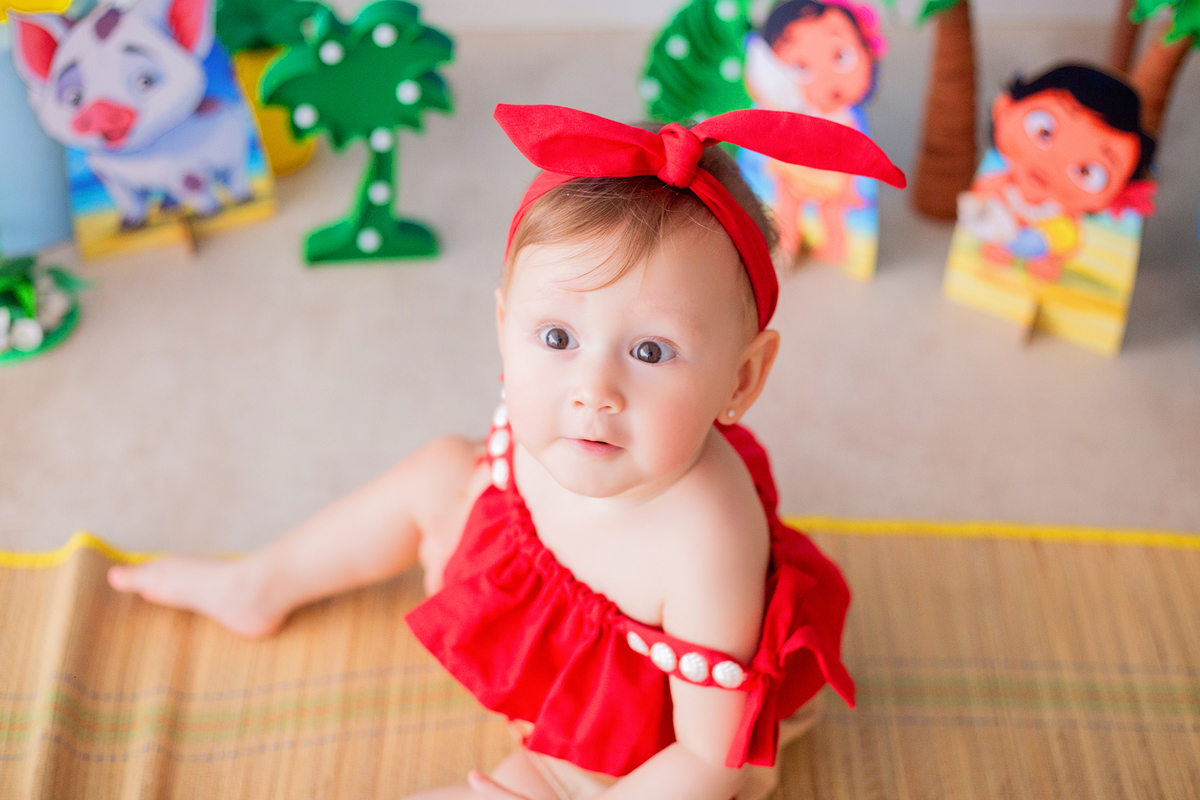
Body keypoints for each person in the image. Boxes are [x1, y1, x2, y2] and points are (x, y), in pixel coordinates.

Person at [108, 104, 905, 800]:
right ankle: (259, 583)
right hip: (533, 599)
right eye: (556, 338)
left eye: (651, 352)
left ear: (743, 377)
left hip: (628, 731)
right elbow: (490, 487)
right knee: (440, 468)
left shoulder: (706, 538)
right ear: (504, 326)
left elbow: (709, 759)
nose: (593, 390)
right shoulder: (554, 415)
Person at [957, 63, 1156, 283]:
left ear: (1123, 188)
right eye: (1043, 132)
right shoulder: (999, 184)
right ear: (1004, 109)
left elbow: (1069, 239)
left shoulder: (1064, 216)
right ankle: (998, 251)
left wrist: (1049, 245)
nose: (1052, 163)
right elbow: (979, 200)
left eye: (1087, 171)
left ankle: (1043, 262)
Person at [742, 0, 886, 264]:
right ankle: (785, 246)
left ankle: (835, 249)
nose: (826, 78)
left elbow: (855, 155)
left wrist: (849, 187)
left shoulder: (846, 120)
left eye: (841, 57)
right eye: (801, 67)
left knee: (832, 214)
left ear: (867, 51)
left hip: (829, 179)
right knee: (785, 210)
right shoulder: (785, 109)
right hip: (791, 173)